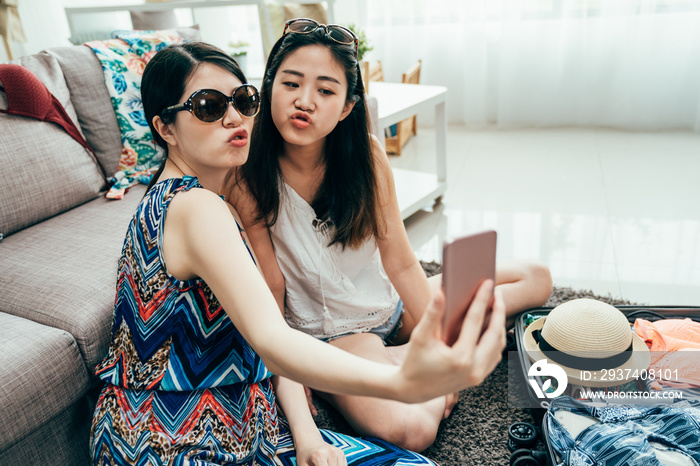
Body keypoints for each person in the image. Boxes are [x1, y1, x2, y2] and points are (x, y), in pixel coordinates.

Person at [89, 41, 507, 466]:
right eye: (209, 106)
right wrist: (402, 382)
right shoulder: (198, 209)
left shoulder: (191, 197)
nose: (234, 117)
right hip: (171, 438)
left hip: (221, 417)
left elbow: (269, 332)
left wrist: (307, 438)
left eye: (242, 100)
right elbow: (275, 340)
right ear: (166, 129)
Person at [222, 18, 553, 452]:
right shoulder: (249, 176)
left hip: (391, 308)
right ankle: (397, 363)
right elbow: (271, 289)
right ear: (268, 88)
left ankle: (412, 353)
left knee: (536, 276)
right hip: (336, 334)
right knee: (412, 431)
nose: (304, 101)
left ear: (345, 107)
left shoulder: (368, 156)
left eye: (325, 90)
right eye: (291, 84)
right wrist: (293, 369)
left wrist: (441, 342)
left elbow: (398, 259)